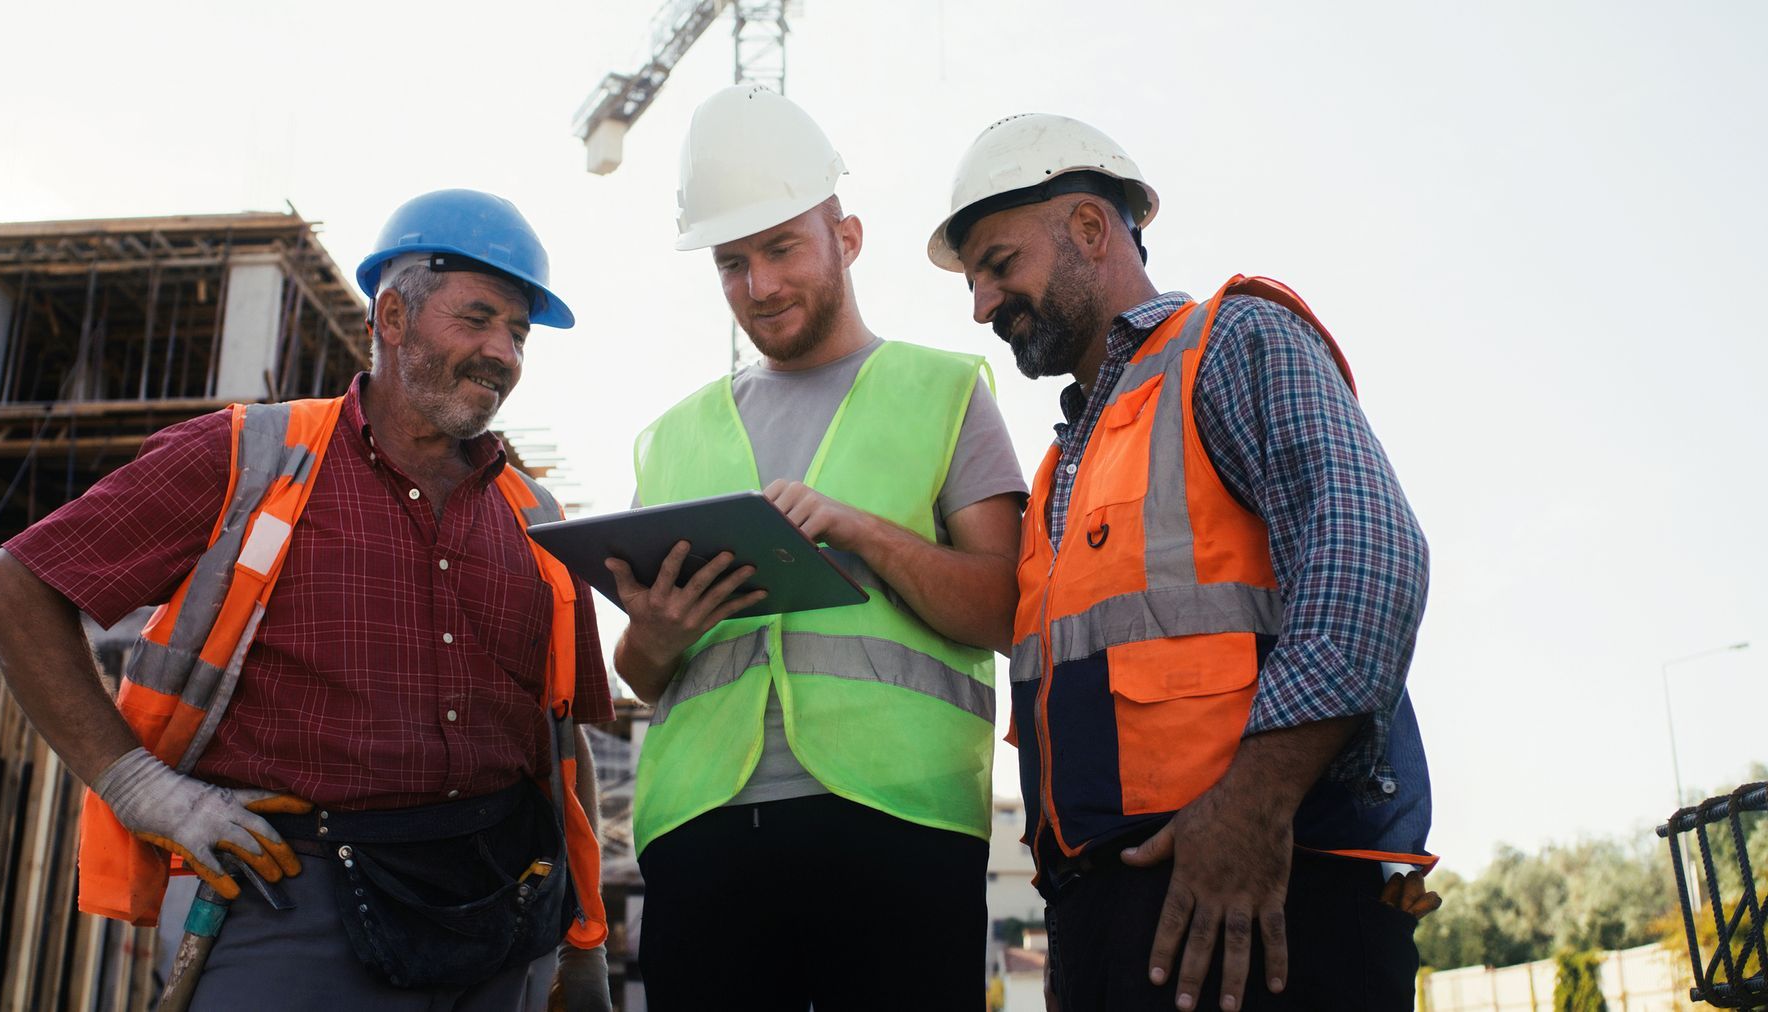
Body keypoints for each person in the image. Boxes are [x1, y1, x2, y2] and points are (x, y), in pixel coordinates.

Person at [0, 189, 615, 1011]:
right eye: (477, 319)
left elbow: (559, 744)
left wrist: (582, 942)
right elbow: (13, 590)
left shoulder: (534, 518)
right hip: (296, 899)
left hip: (495, 910)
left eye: (517, 334)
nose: (502, 352)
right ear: (392, 318)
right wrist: (139, 787)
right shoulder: (252, 456)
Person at [927, 113, 1438, 1012]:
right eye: (972, 282)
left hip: (1266, 888)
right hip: (1112, 919)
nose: (980, 305)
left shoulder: (1235, 343)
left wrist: (1254, 805)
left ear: (1088, 228)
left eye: (999, 265)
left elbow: (1368, 558)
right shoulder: (1060, 468)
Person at [609, 85, 1029, 1010]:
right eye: (730, 262)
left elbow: (1006, 609)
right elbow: (639, 671)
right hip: (701, 833)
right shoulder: (673, 438)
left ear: (846, 237)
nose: (757, 286)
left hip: (900, 824)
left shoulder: (947, 392)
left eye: (780, 248)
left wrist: (861, 529)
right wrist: (660, 635)